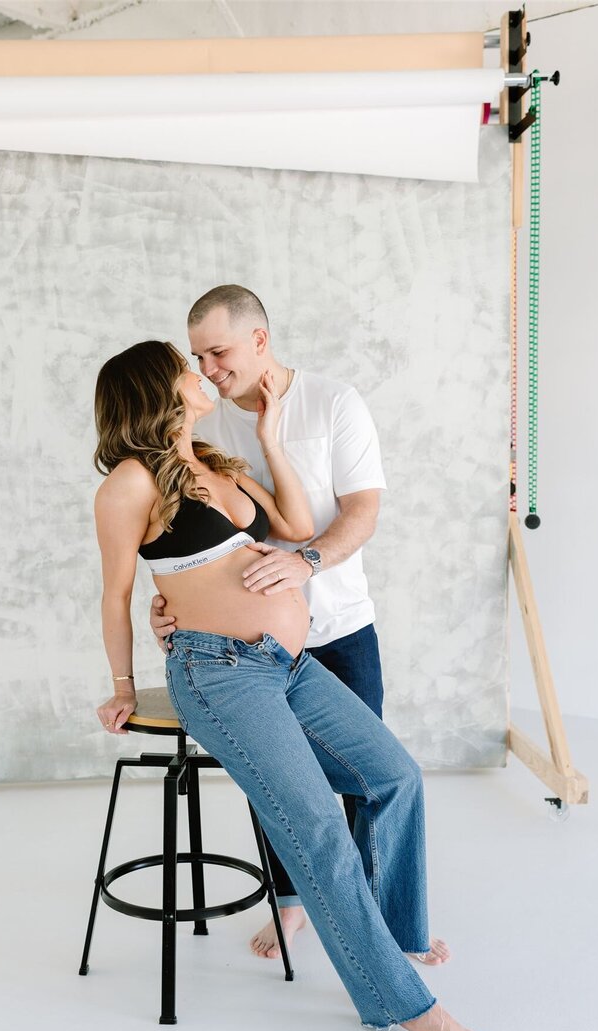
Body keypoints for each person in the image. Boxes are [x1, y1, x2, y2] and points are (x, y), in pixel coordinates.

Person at [93, 337, 495, 1031]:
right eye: (186, 366)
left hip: (288, 665)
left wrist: (272, 437)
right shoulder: (130, 484)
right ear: (159, 389)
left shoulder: (213, 462)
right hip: (218, 675)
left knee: (393, 776)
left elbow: (298, 529)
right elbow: (116, 592)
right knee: (318, 830)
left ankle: (398, 935)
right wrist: (122, 686)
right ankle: (408, 1007)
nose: (199, 373)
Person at [150, 285, 450, 966]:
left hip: (339, 626)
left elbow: (362, 511)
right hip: (246, 649)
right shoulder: (204, 427)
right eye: (198, 358)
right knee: (277, 783)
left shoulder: (334, 403)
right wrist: (166, 601)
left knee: (370, 777)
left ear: (259, 340)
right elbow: (181, 534)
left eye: (218, 352)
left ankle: (385, 920)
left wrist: (306, 561)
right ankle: (289, 903)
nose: (208, 371)